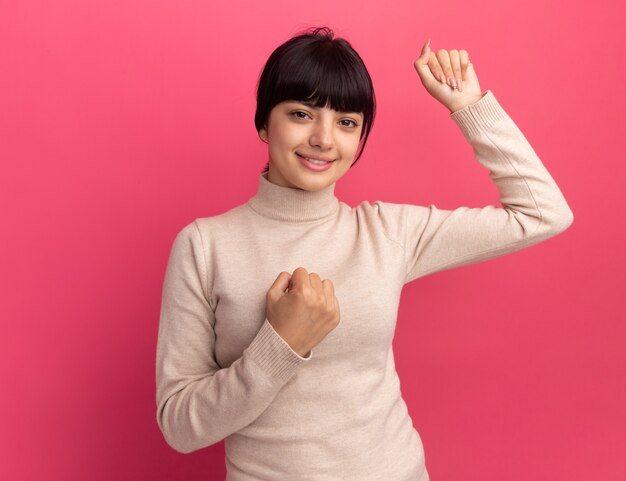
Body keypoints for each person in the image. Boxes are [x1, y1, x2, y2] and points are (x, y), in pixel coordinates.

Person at [155, 26, 573, 481]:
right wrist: (281, 345)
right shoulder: (204, 246)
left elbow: (542, 213)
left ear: (359, 141)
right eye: (301, 113)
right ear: (263, 122)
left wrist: (468, 106)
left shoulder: (386, 232)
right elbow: (180, 427)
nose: (324, 139)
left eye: (347, 122)